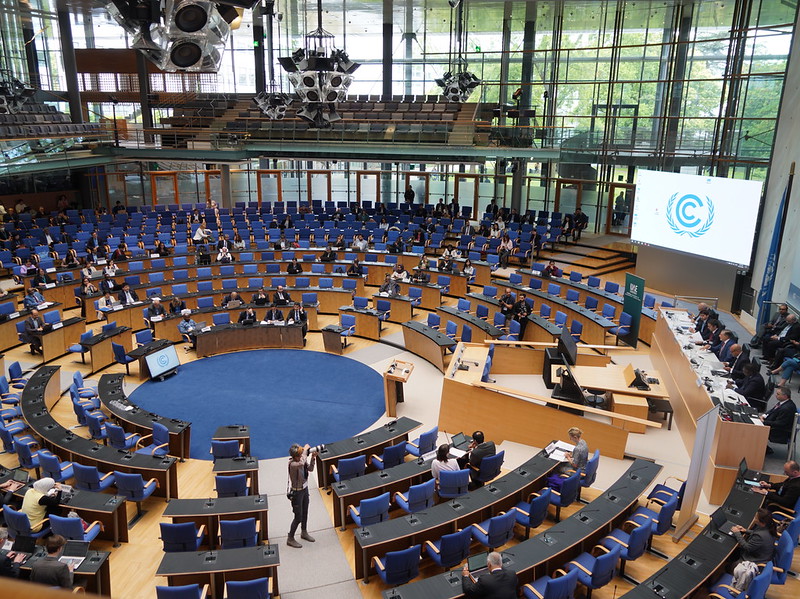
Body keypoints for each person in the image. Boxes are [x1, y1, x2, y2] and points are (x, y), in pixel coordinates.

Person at [286, 443, 317, 548]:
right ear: (294, 457)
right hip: (297, 493)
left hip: (304, 489)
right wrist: (305, 451)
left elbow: (311, 469)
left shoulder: (301, 461)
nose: (300, 457)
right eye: (298, 455)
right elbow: (302, 461)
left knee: (305, 512)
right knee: (298, 517)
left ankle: (304, 532)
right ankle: (290, 538)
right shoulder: (293, 464)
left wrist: (313, 458)